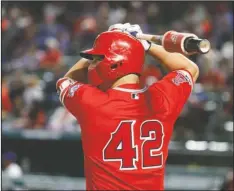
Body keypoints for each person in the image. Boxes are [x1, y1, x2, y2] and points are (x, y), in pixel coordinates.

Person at [56, 23, 199, 190]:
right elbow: (190, 68)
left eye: (96, 59)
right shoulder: (162, 99)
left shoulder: (91, 102)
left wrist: (112, 35)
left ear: (114, 64)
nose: (91, 65)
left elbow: (65, 81)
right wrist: (146, 44)